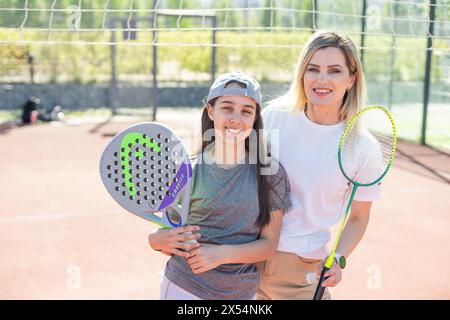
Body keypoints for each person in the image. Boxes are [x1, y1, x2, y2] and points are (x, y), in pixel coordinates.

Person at [257, 31, 380, 300]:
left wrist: (339, 258)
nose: (321, 79)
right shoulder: (273, 118)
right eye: (313, 69)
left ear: (351, 79)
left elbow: (359, 218)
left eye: (334, 71)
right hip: (245, 260)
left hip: (301, 274)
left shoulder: (363, 147)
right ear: (302, 74)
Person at [148, 71, 292, 300]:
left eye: (247, 111)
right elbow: (170, 235)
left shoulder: (270, 174)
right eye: (227, 107)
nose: (236, 118)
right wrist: (156, 240)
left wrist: (221, 254)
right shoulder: (187, 171)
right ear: (211, 111)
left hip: (242, 294)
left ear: (255, 118)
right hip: (185, 289)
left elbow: (268, 245)